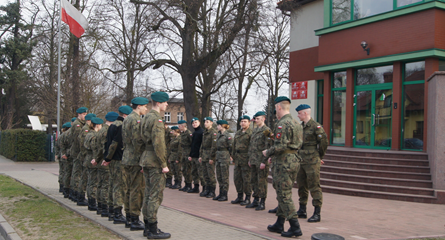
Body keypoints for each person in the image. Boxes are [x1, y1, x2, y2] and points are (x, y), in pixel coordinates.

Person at [263, 96, 304, 238]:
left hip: (284, 162)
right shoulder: (295, 122)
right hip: (293, 161)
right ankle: (279, 223)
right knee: (283, 191)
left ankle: (295, 227)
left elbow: (280, 146)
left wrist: (267, 152)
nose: (275, 111)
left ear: (279, 107)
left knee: (284, 195)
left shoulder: (282, 124)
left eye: (275, 108)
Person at [140, 91, 171, 239]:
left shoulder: (146, 117)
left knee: (147, 193)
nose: (167, 104)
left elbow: (140, 140)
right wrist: (163, 163)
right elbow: (158, 144)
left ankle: (147, 226)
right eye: (165, 102)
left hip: (146, 159)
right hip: (155, 161)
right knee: (155, 195)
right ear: (158, 103)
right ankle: (153, 229)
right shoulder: (157, 120)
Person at [295, 104, 328, 223]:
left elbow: (323, 142)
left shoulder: (316, 126)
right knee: (301, 185)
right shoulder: (300, 127)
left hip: (312, 160)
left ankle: (317, 212)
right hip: (301, 159)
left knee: (314, 186)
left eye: (299, 113)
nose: (298, 115)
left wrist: (319, 156)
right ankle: (302, 209)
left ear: (305, 113)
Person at [122, 97, 149, 231]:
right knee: (137, 189)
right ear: (139, 106)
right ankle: (134, 218)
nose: (146, 109)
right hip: (135, 159)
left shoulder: (127, 118)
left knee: (129, 188)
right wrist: (142, 159)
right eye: (145, 106)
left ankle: (128, 216)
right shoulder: (136, 119)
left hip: (127, 157)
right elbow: (137, 140)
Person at [102, 105, 132, 224]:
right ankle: (117, 213)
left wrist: (107, 157)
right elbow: (114, 143)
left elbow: (107, 143)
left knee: (113, 185)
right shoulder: (122, 126)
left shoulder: (113, 125)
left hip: (113, 159)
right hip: (119, 159)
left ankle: (111, 211)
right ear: (125, 115)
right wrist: (108, 157)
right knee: (119, 187)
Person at [91, 112, 118, 217]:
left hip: (100, 160)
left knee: (101, 184)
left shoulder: (101, 130)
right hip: (104, 161)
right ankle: (104, 208)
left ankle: (101, 207)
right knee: (106, 185)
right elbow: (104, 148)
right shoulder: (107, 130)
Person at [246, 111, 272, 211]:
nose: (256, 120)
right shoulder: (255, 130)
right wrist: (249, 159)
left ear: (263, 119)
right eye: (255, 119)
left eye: (258, 119)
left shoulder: (267, 130)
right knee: (253, 180)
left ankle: (262, 202)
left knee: (262, 181)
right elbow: (251, 146)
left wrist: (264, 161)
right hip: (253, 160)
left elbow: (268, 147)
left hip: (261, 160)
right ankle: (255, 199)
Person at [66, 107, 88, 202]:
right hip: (77, 152)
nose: (85, 116)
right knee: (77, 174)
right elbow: (78, 140)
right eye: (83, 114)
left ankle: (75, 193)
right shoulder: (77, 125)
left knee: (78, 173)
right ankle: (76, 193)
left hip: (78, 152)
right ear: (79, 114)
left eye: (85, 114)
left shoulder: (81, 124)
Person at [231, 116, 252, 206]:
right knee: (237, 178)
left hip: (246, 158)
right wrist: (233, 157)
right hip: (238, 158)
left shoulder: (251, 133)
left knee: (246, 179)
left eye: (245, 121)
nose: (243, 123)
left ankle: (247, 197)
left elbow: (252, 147)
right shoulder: (238, 133)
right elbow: (234, 145)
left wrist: (250, 159)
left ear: (249, 123)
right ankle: (239, 196)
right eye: (242, 121)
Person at [84, 117, 102, 211]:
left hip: (88, 158)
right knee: (94, 182)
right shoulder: (94, 136)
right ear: (97, 125)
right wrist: (96, 159)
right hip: (93, 160)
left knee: (90, 181)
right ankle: (92, 202)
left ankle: (91, 202)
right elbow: (95, 148)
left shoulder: (88, 134)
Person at [213, 120, 233, 202]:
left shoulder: (227, 135)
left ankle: (224, 194)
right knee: (219, 176)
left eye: (218, 125)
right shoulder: (218, 135)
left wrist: (231, 156)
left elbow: (231, 147)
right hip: (218, 156)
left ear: (222, 126)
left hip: (224, 156)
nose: (217, 127)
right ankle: (221, 193)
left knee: (224, 176)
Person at [198, 117, 217, 198]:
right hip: (204, 155)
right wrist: (200, 155)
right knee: (205, 174)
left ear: (211, 123)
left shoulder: (213, 132)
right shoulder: (205, 132)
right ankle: (207, 190)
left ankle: (212, 191)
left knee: (211, 174)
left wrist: (212, 158)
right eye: (205, 122)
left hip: (209, 155)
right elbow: (202, 145)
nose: (205, 123)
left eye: (207, 122)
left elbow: (214, 146)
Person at [187, 117, 204, 193]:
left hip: (199, 155)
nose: (194, 124)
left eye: (196, 122)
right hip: (193, 155)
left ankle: (204, 188)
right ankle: (196, 187)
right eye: (193, 123)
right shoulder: (194, 133)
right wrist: (190, 155)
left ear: (199, 123)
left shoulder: (202, 132)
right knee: (194, 172)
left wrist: (201, 155)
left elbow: (202, 145)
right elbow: (193, 145)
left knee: (201, 173)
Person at [56, 122, 71, 193]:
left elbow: (57, 146)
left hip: (61, 155)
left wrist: (57, 154)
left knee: (62, 171)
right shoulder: (67, 135)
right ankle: (65, 186)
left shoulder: (61, 136)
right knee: (66, 172)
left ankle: (61, 186)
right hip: (65, 155)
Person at [178, 120, 192, 192]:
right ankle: (186, 184)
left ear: (183, 126)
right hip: (183, 153)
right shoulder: (182, 133)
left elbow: (192, 144)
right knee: (184, 169)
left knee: (188, 170)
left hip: (188, 153)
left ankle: (189, 185)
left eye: (179, 126)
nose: (178, 127)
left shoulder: (188, 133)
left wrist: (191, 154)